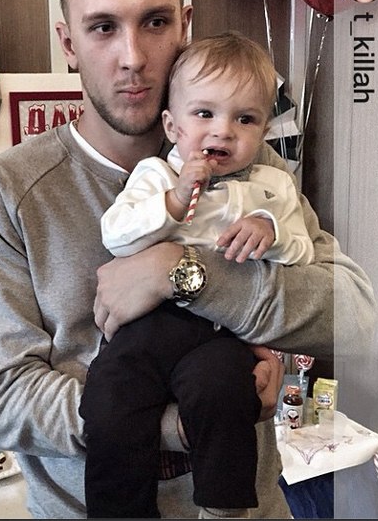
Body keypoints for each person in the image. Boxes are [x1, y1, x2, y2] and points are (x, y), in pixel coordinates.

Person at [0, 0, 377, 519]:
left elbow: (356, 315)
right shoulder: (9, 191)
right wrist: (186, 423)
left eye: (154, 22)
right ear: (69, 43)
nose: (132, 56)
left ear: (184, 26)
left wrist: (183, 273)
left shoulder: (246, 162)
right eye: (103, 27)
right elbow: (1, 400)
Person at [81, 31, 315, 519]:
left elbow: (303, 253)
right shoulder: (156, 175)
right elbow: (116, 235)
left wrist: (269, 229)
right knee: (109, 395)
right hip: (149, 326)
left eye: (245, 119)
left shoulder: (273, 185)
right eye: (204, 114)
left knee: (225, 392)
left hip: (221, 330)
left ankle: (225, 510)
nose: (223, 131)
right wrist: (172, 201)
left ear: (263, 130)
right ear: (172, 125)